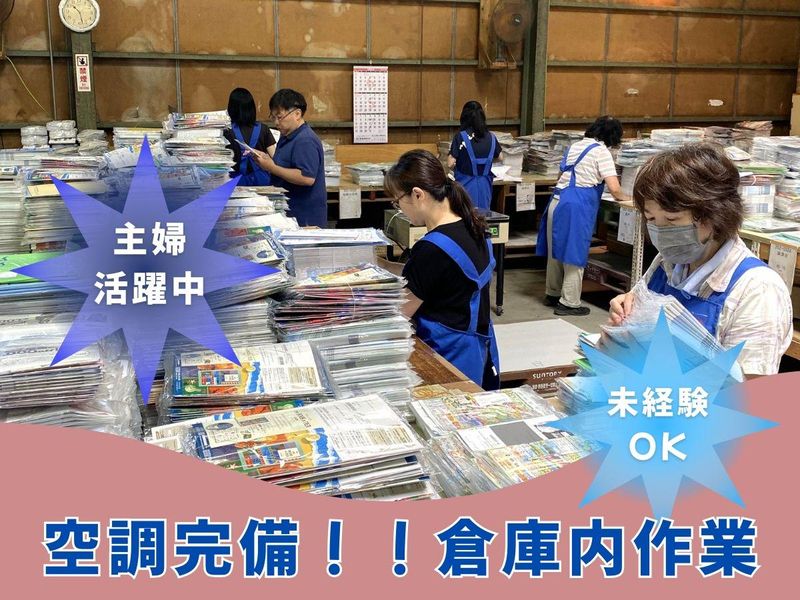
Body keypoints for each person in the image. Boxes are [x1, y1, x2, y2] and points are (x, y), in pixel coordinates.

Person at [609, 144, 792, 377]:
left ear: (714, 214)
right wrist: (626, 313)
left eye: (672, 220)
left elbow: (752, 389)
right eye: (651, 219)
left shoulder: (757, 289)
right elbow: (635, 313)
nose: (660, 231)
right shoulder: (666, 263)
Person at [385, 149, 500, 390]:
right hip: (478, 349)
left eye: (397, 201)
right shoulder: (475, 227)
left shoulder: (431, 249)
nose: (399, 209)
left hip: (447, 356)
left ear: (417, 194)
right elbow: (441, 277)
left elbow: (401, 313)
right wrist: (382, 267)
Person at [537, 115, 629, 316]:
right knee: (574, 253)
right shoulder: (601, 152)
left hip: (557, 201)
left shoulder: (575, 146)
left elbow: (560, 177)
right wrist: (630, 198)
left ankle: (552, 294)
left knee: (555, 252)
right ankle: (569, 303)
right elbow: (614, 188)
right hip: (575, 206)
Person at [248, 88, 327, 227]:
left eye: (280, 117)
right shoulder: (287, 136)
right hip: (289, 211)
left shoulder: (305, 140)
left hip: (304, 217)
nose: (276, 123)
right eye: (273, 117)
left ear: (297, 114)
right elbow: (283, 165)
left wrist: (271, 168)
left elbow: (306, 178)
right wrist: (267, 160)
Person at [447, 101, 502, 211]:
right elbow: (500, 157)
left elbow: (450, 163)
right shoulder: (491, 137)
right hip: (485, 188)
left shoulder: (461, 137)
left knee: (465, 215)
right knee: (482, 216)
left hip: (465, 187)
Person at [223, 87, 276, 186]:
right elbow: (275, 157)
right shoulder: (264, 129)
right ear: (252, 108)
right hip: (262, 181)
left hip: (234, 182)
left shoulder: (226, 131)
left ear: (231, 108)